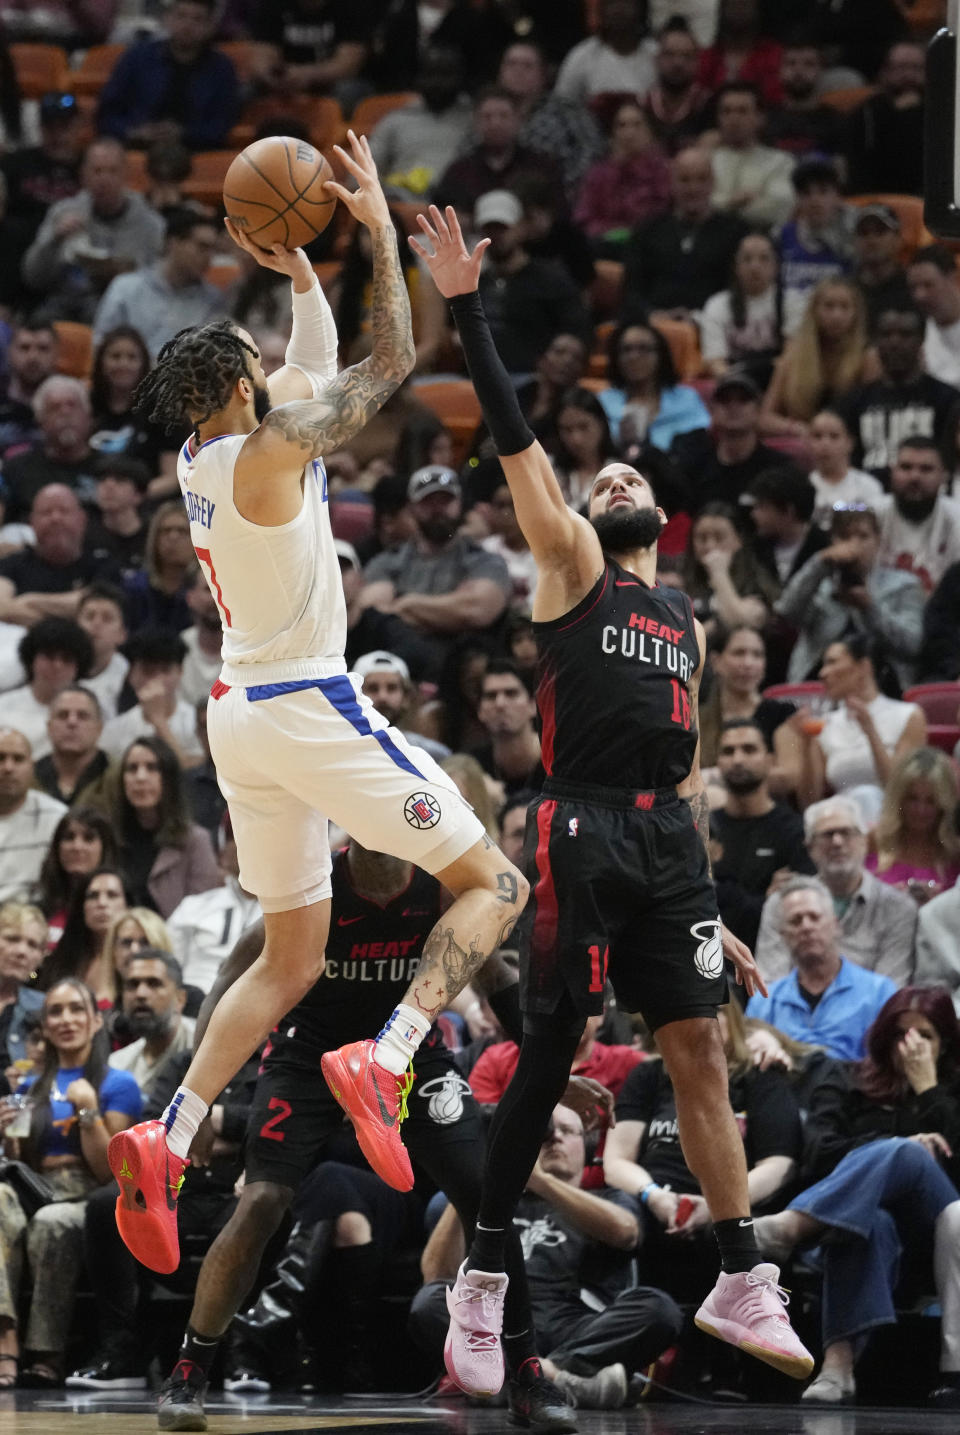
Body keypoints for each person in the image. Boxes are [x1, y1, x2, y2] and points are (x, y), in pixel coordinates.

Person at [107, 137, 528, 1285]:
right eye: (259, 361)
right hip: (305, 700)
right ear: (243, 389)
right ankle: (389, 1057)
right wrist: (380, 233)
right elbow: (387, 360)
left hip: (239, 714)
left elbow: (316, 357)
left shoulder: (210, 450)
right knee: (497, 884)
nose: (275, 367)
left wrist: (298, 274)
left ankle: (171, 1133)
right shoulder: (270, 451)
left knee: (292, 956)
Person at [411, 202, 813, 1394]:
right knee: (554, 1044)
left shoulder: (683, 617)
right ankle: (482, 1282)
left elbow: (679, 772)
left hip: (663, 839)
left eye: (637, 469)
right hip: (574, 818)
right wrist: (469, 305)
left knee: (700, 1047)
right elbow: (521, 435)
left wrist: (708, 911)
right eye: (604, 474)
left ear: (662, 518)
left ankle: (742, 1277)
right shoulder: (573, 563)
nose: (619, 472)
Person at [155, 844, 572, 1431]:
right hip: (309, 1057)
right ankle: (189, 1373)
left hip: (406, 1060)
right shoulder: (313, 884)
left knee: (486, 1198)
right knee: (263, 1201)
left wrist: (551, 1073)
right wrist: (199, 1100)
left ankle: (528, 1373)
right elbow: (229, 980)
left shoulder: (443, 888)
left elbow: (497, 975)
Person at [754, 987, 960, 1407]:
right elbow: (818, 1151)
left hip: (940, 1226)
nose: (913, 1047)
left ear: (947, 1043)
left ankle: (792, 1226)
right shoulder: (851, 1081)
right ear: (885, 1037)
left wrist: (928, 1092)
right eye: (903, 1035)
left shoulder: (954, 1092)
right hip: (863, 1221)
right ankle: (838, 1367)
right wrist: (887, 1142)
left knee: (906, 1152)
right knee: (869, 1220)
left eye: (926, 1036)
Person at [412, 1104, 683, 1412]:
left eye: (567, 1131)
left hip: (577, 1329)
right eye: (544, 1134)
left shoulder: (608, 1198)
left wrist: (539, 1180)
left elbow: (626, 1233)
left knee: (658, 1308)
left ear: (588, 1144)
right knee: (430, 1300)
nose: (554, 1139)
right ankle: (561, 1384)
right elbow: (436, 1276)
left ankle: (527, 1379)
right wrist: (476, 1179)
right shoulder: (491, 1206)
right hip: (498, 1332)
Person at [603, 1000, 801, 1306]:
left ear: (733, 1020)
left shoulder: (759, 1076)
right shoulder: (649, 1075)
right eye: (686, 1011)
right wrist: (652, 1195)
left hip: (730, 1206)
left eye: (714, 1011)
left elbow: (778, 1165)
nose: (699, 1022)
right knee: (618, 1222)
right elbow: (616, 1161)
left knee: (729, 1234)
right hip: (653, 1200)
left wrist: (717, 1206)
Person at [0, 977, 141, 1387]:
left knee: (54, 1221)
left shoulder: (118, 1084)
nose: (66, 1019)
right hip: (37, 1189)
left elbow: (109, 1173)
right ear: (44, 1026)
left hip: (87, 1195)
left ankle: (47, 1353)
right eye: (56, 1012)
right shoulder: (28, 1087)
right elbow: (22, 1165)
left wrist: (88, 1113)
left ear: (96, 1021)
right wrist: (8, 1135)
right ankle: (5, 1339)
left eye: (76, 1009)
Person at [755, 796, 918, 988]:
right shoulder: (780, 905)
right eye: (827, 834)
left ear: (864, 841)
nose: (837, 842)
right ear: (810, 847)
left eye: (846, 833)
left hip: (872, 1016)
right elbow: (769, 984)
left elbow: (890, 991)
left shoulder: (898, 908)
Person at [358, 464, 512, 665]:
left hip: (462, 665)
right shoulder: (388, 561)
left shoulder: (485, 560)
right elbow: (373, 613)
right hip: (400, 664)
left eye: (446, 500)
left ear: (459, 504)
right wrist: (451, 609)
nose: (438, 509)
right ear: (412, 508)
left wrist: (407, 603)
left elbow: (478, 610)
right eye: (428, 501)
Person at [775, 504, 925, 689]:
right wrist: (819, 562)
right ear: (833, 541)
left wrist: (869, 607)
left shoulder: (904, 585)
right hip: (818, 681)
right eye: (845, 537)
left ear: (878, 541)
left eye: (863, 537)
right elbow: (787, 612)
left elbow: (913, 645)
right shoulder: (818, 585)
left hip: (884, 685)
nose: (854, 545)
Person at [747, 876, 898, 1059]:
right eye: (796, 921)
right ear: (783, 935)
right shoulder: (764, 1002)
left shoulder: (879, 993)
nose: (806, 927)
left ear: (836, 925)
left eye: (814, 917)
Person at [21, 138, 165, 325]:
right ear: (84, 175)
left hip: (126, 308)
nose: (104, 180)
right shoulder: (63, 211)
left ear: (125, 175)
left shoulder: (150, 223)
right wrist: (55, 238)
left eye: (112, 171)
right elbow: (33, 277)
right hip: (66, 301)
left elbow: (160, 284)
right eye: (97, 171)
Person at [793, 632, 927, 815]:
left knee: (867, 795)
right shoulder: (826, 724)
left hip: (892, 818)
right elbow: (808, 801)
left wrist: (870, 731)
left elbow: (900, 790)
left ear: (864, 667)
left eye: (832, 662)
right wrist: (806, 744)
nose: (822, 673)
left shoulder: (908, 715)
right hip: (841, 817)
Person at [711, 718, 812, 951]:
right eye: (728, 751)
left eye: (749, 749)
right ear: (717, 762)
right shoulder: (703, 829)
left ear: (771, 760)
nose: (737, 759)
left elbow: (793, 910)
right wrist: (765, 900)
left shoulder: (794, 829)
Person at [101, 736, 221, 920]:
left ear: (169, 778)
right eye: (132, 769)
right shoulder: (107, 836)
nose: (140, 777)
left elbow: (203, 915)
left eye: (152, 768)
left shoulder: (195, 841)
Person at [96, 0, 240, 151]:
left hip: (196, 152)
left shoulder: (221, 69)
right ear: (167, 19)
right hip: (136, 148)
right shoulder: (137, 58)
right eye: (181, 16)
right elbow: (107, 113)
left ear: (210, 26)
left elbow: (222, 124)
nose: (187, 25)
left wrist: (184, 134)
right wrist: (134, 132)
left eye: (197, 19)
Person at [623, 146, 749, 315]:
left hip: (715, 326)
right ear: (672, 183)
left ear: (713, 182)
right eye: (684, 180)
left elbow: (739, 293)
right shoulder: (646, 231)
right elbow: (631, 292)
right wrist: (655, 315)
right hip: (656, 326)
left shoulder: (737, 232)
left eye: (701, 179)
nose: (693, 189)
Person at [839, 309, 958, 487]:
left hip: (931, 499)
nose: (894, 342)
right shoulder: (854, 401)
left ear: (921, 340)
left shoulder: (947, 399)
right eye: (886, 335)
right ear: (875, 341)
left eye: (905, 335)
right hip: (865, 504)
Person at [93, 207, 226, 360]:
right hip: (131, 379)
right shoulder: (126, 289)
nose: (209, 258)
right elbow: (101, 347)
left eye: (213, 250)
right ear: (173, 243)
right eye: (202, 247)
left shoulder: (213, 300)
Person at [761, 277, 878, 437]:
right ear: (814, 311)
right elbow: (764, 418)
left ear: (856, 314)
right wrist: (795, 428)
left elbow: (872, 416)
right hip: (800, 442)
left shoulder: (868, 358)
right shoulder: (792, 357)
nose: (836, 315)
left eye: (844, 307)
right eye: (829, 307)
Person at [697, 622, 800, 792]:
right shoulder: (696, 717)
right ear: (716, 661)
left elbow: (789, 776)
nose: (748, 663)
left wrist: (711, 776)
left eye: (757, 655)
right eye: (739, 653)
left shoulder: (782, 712)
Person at [497, 39, 605, 198]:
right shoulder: (488, 112)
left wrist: (560, 192)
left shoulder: (568, 111)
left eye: (527, 66)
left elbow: (592, 152)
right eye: (511, 64)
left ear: (543, 75)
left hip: (559, 201)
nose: (518, 71)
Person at [432, 88, 561, 221]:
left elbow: (558, 217)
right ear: (476, 122)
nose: (495, 124)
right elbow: (440, 217)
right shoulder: (459, 171)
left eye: (504, 116)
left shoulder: (541, 167)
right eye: (487, 117)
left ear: (519, 120)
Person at [166, 813, 260, 992]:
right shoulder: (193, 907)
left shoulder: (288, 913)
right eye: (240, 836)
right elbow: (166, 967)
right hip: (193, 1008)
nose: (252, 846)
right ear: (223, 853)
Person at [368, 48, 473, 204]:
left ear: (460, 78)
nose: (437, 83)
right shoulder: (396, 119)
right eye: (430, 75)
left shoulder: (476, 119)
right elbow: (364, 171)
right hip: (403, 200)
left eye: (445, 75)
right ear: (418, 79)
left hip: (458, 202)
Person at [671, 368, 781, 510]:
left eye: (743, 399)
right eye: (725, 400)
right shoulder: (694, 468)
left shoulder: (777, 470)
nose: (733, 406)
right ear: (711, 410)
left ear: (758, 410)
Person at [598, 321, 710, 453]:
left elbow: (702, 440)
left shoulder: (685, 398)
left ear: (661, 355)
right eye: (626, 350)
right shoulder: (604, 402)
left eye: (644, 349)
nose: (634, 357)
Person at [101, 629, 205, 770]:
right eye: (148, 671)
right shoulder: (114, 730)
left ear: (180, 672)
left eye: (165, 671)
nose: (157, 679)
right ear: (131, 675)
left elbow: (195, 775)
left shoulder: (200, 724)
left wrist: (158, 720)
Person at [867, 748, 960, 904]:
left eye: (931, 801)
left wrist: (940, 905)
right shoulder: (872, 840)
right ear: (899, 799)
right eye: (912, 799)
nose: (920, 810)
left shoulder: (955, 852)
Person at [574, 101, 672, 246]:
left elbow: (664, 215)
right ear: (613, 133)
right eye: (622, 125)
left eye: (637, 125)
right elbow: (584, 218)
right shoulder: (598, 174)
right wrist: (608, 233)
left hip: (651, 247)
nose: (629, 133)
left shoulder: (663, 171)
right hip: (605, 246)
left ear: (649, 131)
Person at [1, 378, 99, 523]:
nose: (65, 413)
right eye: (55, 407)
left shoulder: (112, 471)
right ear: (40, 421)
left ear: (88, 417)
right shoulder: (15, 470)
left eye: (72, 405)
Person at [1, 617, 94, 760]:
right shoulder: (3, 707)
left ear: (78, 667)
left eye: (66, 659)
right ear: (32, 659)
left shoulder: (92, 710)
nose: (57, 666)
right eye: (49, 656)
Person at [700, 231, 786, 385]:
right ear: (736, 266)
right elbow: (715, 363)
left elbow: (793, 357)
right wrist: (737, 386)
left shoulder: (791, 301)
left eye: (764, 259)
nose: (755, 266)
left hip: (781, 381)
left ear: (776, 266)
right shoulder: (717, 305)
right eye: (747, 259)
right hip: (736, 384)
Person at [708, 82, 795, 230]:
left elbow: (779, 208)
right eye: (726, 111)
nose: (733, 119)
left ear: (760, 118)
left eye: (742, 111)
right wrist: (731, 203)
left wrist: (719, 205)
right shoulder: (705, 161)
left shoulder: (780, 162)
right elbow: (694, 204)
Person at [878, 437, 960, 594]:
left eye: (926, 469)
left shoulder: (957, 517)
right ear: (892, 472)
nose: (915, 477)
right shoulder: (869, 510)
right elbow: (840, 507)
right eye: (906, 467)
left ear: (943, 476)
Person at [843, 40, 925, 197]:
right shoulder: (865, 114)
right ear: (885, 72)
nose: (908, 75)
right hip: (875, 202)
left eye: (916, 68)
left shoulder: (941, 114)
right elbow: (859, 170)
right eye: (901, 68)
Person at [682, 501, 777, 635]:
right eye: (702, 538)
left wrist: (719, 574)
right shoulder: (680, 579)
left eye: (719, 537)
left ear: (738, 540)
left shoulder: (755, 585)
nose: (710, 546)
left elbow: (739, 623)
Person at [39, 866, 128, 1006]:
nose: (102, 903)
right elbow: (33, 978)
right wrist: (32, 973)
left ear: (127, 905)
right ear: (82, 907)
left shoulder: (137, 959)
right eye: (93, 896)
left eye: (112, 895)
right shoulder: (60, 961)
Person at [777, 156, 852, 321]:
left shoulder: (852, 239)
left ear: (837, 196)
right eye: (806, 193)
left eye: (823, 191)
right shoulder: (782, 236)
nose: (815, 200)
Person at [109, 950, 195, 1091]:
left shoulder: (202, 1049)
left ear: (180, 999)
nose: (140, 994)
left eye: (154, 983)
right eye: (133, 984)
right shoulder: (117, 1064)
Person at [33, 805, 116, 944]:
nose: (77, 846)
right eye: (69, 838)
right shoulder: (39, 909)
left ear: (105, 848)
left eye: (88, 838)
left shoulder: (122, 907)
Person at [0, 727, 66, 902]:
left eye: (18, 759)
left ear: (32, 766)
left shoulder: (57, 818)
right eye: (1, 758)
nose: (8, 767)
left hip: (35, 920)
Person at [352, 649, 449, 763]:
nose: (383, 697)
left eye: (392, 688)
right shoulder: (338, 747)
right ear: (355, 696)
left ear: (406, 697)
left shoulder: (432, 755)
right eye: (373, 688)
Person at [554, 0, 657, 105]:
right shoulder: (581, 56)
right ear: (601, 10)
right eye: (612, 3)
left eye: (626, 2)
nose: (619, 9)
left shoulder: (656, 54)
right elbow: (561, 106)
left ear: (640, 8)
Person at [746, 464, 827, 591]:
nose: (754, 514)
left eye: (762, 507)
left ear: (789, 511)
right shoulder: (756, 548)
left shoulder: (824, 547)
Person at [764, 35, 845, 158]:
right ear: (780, 70)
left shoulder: (836, 122)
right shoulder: (764, 120)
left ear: (821, 71)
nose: (798, 70)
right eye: (791, 63)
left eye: (809, 64)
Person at [122, 502, 195, 636]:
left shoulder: (206, 590)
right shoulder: (135, 588)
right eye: (166, 531)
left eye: (182, 531)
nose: (173, 537)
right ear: (155, 539)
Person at [806, 408, 886, 530]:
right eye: (817, 436)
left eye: (834, 436)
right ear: (808, 441)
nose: (825, 444)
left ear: (850, 442)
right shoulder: (804, 486)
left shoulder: (868, 486)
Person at [642, 18, 711, 156]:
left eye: (686, 56)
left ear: (697, 62)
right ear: (657, 60)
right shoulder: (643, 105)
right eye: (669, 54)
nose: (678, 63)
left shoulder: (709, 105)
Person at [697, 0, 782, 105]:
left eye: (745, 4)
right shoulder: (706, 58)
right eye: (733, 4)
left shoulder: (773, 54)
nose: (739, 10)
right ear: (722, 9)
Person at [551, 389, 620, 513]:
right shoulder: (549, 470)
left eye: (583, 427)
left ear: (601, 424)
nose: (576, 439)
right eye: (567, 430)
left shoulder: (621, 472)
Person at [0, 900, 45, 1081]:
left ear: (41, 958)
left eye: (32, 945)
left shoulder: (47, 1007)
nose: (22, 951)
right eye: (12, 939)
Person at [852, 204, 914, 337]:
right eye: (864, 233)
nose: (871, 240)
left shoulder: (914, 288)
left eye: (880, 232)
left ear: (898, 240)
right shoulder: (846, 290)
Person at [0, 320, 58, 460]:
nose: (33, 357)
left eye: (43, 349)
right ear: (9, 353)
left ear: (57, 354)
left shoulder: (70, 399)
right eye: (24, 348)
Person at [908, 244, 960, 391]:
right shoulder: (916, 337)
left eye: (928, 285)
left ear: (952, 278)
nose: (920, 296)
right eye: (914, 287)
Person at [75, 582, 128, 720]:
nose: (96, 624)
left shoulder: (129, 677)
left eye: (107, 618)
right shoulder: (58, 666)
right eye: (89, 616)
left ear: (122, 634)